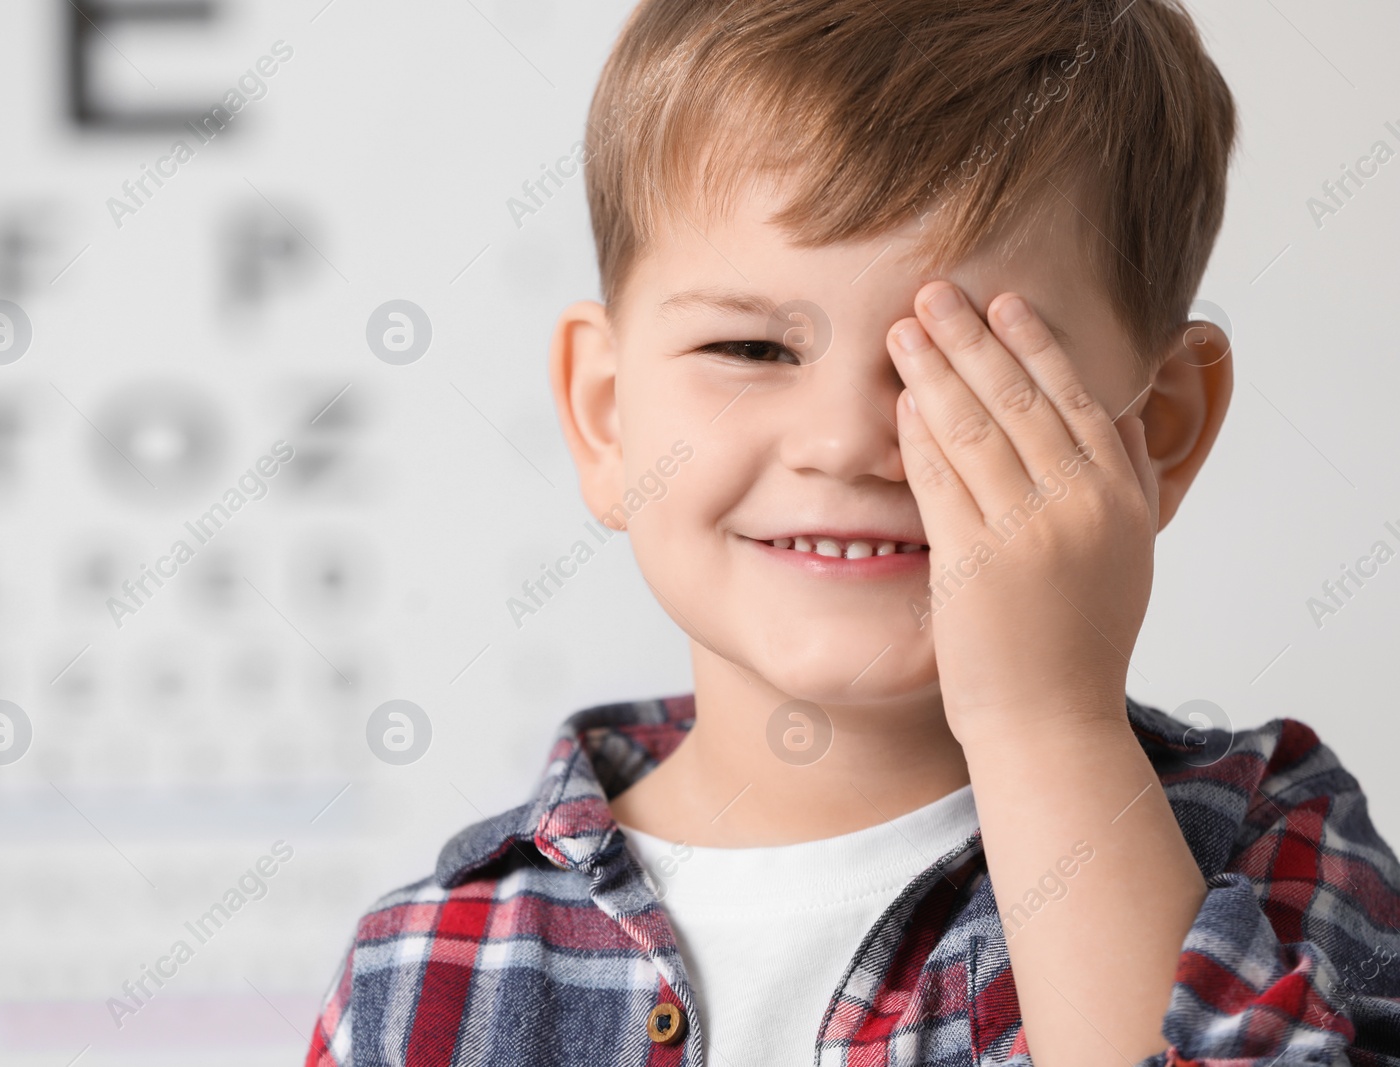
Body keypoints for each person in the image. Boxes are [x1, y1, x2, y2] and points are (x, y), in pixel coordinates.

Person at [306, 1, 1400, 1063]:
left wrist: (1042, 719)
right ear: (605, 415)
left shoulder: (1269, 846)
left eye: (963, 363)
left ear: (1155, 430)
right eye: (751, 349)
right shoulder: (424, 964)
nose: (841, 442)